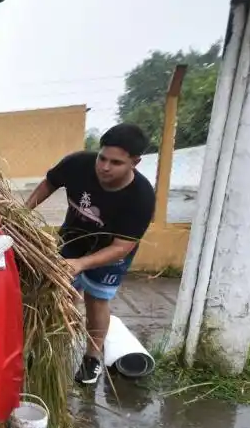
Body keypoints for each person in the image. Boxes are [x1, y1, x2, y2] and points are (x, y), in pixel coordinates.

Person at [25, 123, 155, 386]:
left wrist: (81, 264)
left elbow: (122, 246)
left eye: (116, 163)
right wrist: (22, 212)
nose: (104, 167)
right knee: (54, 292)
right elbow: (49, 183)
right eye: (102, 158)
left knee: (96, 300)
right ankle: (44, 349)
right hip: (73, 238)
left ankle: (92, 357)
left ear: (135, 162)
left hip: (110, 252)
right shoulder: (77, 164)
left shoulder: (141, 197)